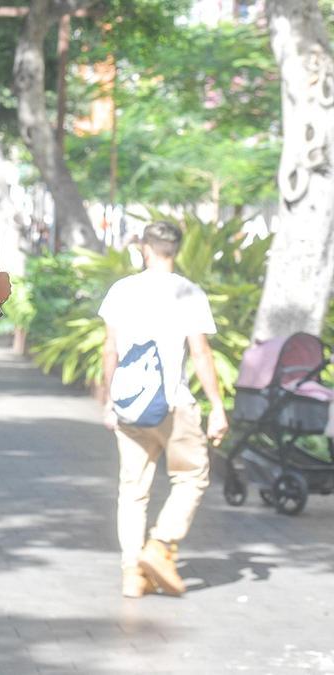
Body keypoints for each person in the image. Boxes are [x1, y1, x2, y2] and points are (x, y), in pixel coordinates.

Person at [99, 221, 229, 599]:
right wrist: (218, 406)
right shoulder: (188, 292)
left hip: (128, 405)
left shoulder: (122, 290)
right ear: (177, 250)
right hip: (174, 404)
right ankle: (159, 545)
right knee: (192, 477)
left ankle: (131, 573)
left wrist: (110, 400)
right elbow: (201, 354)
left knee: (132, 489)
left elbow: (110, 350)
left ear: (145, 249)